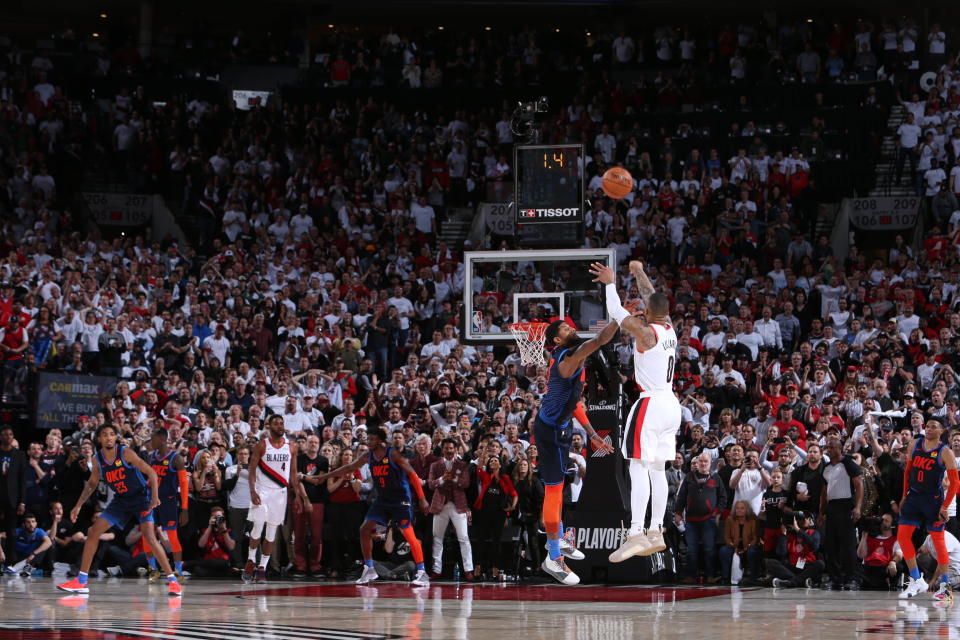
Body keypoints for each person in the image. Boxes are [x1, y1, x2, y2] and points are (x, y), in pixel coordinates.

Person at [594, 260, 681, 563]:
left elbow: (618, 314)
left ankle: (634, 534)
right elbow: (653, 297)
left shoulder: (646, 333)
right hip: (672, 405)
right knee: (657, 468)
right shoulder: (668, 326)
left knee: (636, 467)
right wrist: (640, 272)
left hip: (651, 404)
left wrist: (609, 282)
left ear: (646, 313)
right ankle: (655, 530)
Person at [528, 302, 618, 584]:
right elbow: (601, 339)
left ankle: (559, 541)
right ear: (557, 339)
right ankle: (553, 558)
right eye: (566, 328)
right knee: (553, 492)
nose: (571, 328)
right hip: (550, 431)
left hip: (560, 427)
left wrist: (592, 434)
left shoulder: (571, 360)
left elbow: (575, 403)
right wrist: (620, 315)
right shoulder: (569, 360)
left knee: (560, 488)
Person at [56, 424, 182, 596]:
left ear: (116, 437)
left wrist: (154, 497)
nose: (109, 437)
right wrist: (77, 505)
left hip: (141, 498)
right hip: (121, 501)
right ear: (98, 439)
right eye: (105, 435)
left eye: (111, 434)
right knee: (93, 531)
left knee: (150, 537)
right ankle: (81, 581)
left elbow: (152, 473)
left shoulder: (125, 453)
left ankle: (173, 581)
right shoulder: (97, 459)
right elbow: (92, 484)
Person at [317, 425, 432, 586]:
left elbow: (412, 474)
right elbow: (349, 467)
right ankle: (369, 569)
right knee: (364, 529)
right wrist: (326, 476)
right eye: (367, 438)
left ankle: (422, 572)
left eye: (372, 439)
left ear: (379, 440)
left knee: (408, 534)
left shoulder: (393, 454)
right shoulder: (368, 455)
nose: (368, 441)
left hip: (400, 500)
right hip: (383, 500)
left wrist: (422, 498)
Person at [897, 419, 959, 602]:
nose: (929, 428)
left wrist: (945, 506)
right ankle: (917, 579)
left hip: (933, 500)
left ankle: (945, 586)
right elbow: (907, 472)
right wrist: (903, 495)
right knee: (902, 536)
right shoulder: (915, 444)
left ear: (942, 431)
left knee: (939, 541)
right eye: (928, 425)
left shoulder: (945, 452)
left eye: (934, 426)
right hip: (914, 497)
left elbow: (955, 483)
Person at [242, 415, 303, 583]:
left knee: (271, 532)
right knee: (257, 527)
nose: (279, 426)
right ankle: (251, 560)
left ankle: (262, 567)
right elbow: (252, 470)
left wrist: (297, 495)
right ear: (268, 426)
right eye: (276, 423)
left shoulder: (292, 447)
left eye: (281, 423)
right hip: (262, 490)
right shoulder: (262, 445)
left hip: (280, 493)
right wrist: (253, 491)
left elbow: (293, 473)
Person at [144, 428, 189, 580]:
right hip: (152, 501)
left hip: (169, 501)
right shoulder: (152, 457)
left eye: (153, 438)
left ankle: (178, 571)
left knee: (172, 536)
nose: (151, 441)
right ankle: (153, 569)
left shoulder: (176, 458)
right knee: (147, 535)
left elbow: (184, 485)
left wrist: (184, 508)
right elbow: (150, 480)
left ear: (162, 439)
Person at [674, 452, 726, 583]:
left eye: (705, 462)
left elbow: (723, 497)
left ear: (710, 463)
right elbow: (681, 496)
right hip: (691, 520)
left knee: (709, 549)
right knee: (691, 550)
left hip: (709, 519)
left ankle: (710, 576)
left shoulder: (715, 477)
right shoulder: (689, 477)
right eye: (700, 461)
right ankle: (691, 576)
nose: (703, 464)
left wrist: (717, 512)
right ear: (697, 463)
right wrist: (678, 513)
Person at [428, 437, 473, 580]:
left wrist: (453, 478)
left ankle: (468, 570)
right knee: (437, 538)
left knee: (464, 538)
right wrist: (442, 479)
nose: (449, 450)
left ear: (455, 450)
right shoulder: (435, 465)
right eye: (446, 448)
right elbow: (430, 484)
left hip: (458, 505)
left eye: (451, 448)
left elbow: (466, 484)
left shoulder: (462, 465)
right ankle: (436, 570)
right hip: (440, 504)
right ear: (442, 450)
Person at [769, 511, 826, 588]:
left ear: (811, 521)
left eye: (807, 518)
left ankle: (791, 582)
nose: (804, 520)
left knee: (820, 564)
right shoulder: (789, 535)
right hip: (792, 567)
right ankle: (798, 580)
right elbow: (781, 553)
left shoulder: (814, 533)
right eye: (802, 519)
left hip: (806, 566)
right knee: (770, 562)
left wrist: (798, 530)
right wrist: (784, 534)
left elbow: (814, 546)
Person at [0, 426, 27, 569]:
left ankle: (10, 562)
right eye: (5, 434)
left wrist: (22, 502)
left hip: (12, 499)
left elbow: (22, 480)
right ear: (1, 437)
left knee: (11, 532)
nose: (8, 437)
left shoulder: (20, 455)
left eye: (10, 434)